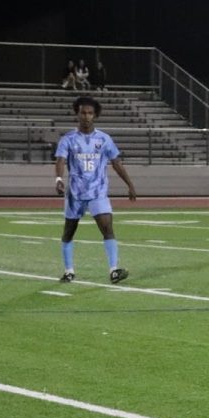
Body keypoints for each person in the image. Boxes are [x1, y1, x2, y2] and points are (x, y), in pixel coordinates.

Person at [54, 95, 138, 283]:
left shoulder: (104, 139)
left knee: (107, 227)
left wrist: (130, 184)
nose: (86, 116)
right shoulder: (68, 139)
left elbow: (116, 162)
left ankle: (114, 270)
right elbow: (60, 160)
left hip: (98, 192)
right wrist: (59, 179)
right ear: (77, 114)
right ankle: (69, 271)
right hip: (75, 193)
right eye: (83, 112)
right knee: (68, 232)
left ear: (95, 115)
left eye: (90, 113)